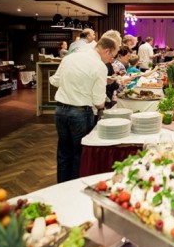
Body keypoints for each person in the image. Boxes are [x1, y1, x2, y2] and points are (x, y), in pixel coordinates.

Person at [49, 35, 120, 183]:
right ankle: (75, 189)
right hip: (80, 113)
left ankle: (61, 187)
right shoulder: (99, 66)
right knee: (79, 154)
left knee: (63, 152)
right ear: (107, 51)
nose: (111, 60)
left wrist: (76, 83)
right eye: (112, 56)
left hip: (60, 111)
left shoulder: (70, 58)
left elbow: (54, 81)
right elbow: (98, 101)